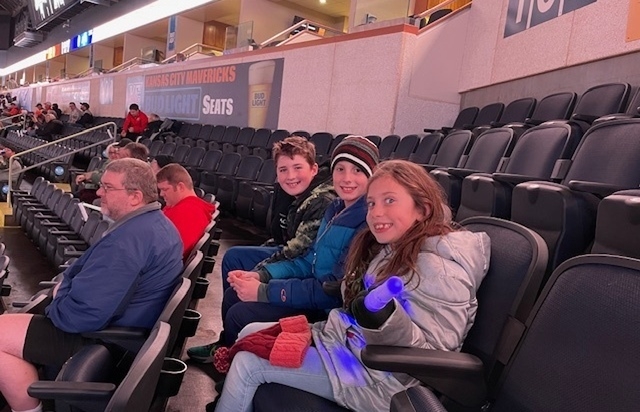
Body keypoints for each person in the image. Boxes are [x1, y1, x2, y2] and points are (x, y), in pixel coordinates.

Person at [212, 160, 491, 412]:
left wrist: (382, 318)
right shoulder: (392, 248)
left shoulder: (441, 269)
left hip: (381, 380)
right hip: (349, 349)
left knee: (249, 364)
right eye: (371, 203)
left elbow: (430, 359)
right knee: (249, 332)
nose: (376, 212)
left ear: (423, 209)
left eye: (389, 200)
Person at [0, 158, 183, 412]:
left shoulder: (130, 241)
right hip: (112, 331)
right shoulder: (154, 226)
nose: (98, 192)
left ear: (135, 196)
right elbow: (80, 274)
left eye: (108, 187)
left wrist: (58, 297)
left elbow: (80, 315)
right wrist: (65, 288)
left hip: (101, 339)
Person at [199, 136, 379, 364]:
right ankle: (228, 353)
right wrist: (262, 275)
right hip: (312, 293)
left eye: (357, 171)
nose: (347, 178)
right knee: (235, 293)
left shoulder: (363, 222)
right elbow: (307, 260)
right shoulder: (335, 209)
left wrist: (265, 291)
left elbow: (331, 290)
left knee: (239, 313)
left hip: (327, 312)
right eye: (340, 169)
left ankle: (232, 362)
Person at [157, 163, 216, 259]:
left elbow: (171, 253)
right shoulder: (182, 207)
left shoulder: (188, 213)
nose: (161, 194)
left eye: (165, 189)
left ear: (180, 187)